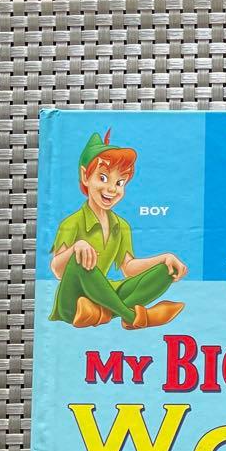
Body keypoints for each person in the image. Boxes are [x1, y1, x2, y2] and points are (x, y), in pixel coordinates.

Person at [50, 129, 187, 329]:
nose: (112, 189)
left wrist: (164, 258)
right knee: (79, 261)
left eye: (120, 182)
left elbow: (128, 268)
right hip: (72, 302)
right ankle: (134, 317)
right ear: (85, 176)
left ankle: (97, 312)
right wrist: (75, 248)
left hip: (103, 294)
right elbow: (57, 270)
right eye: (103, 178)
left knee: (166, 270)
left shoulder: (121, 225)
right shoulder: (72, 223)